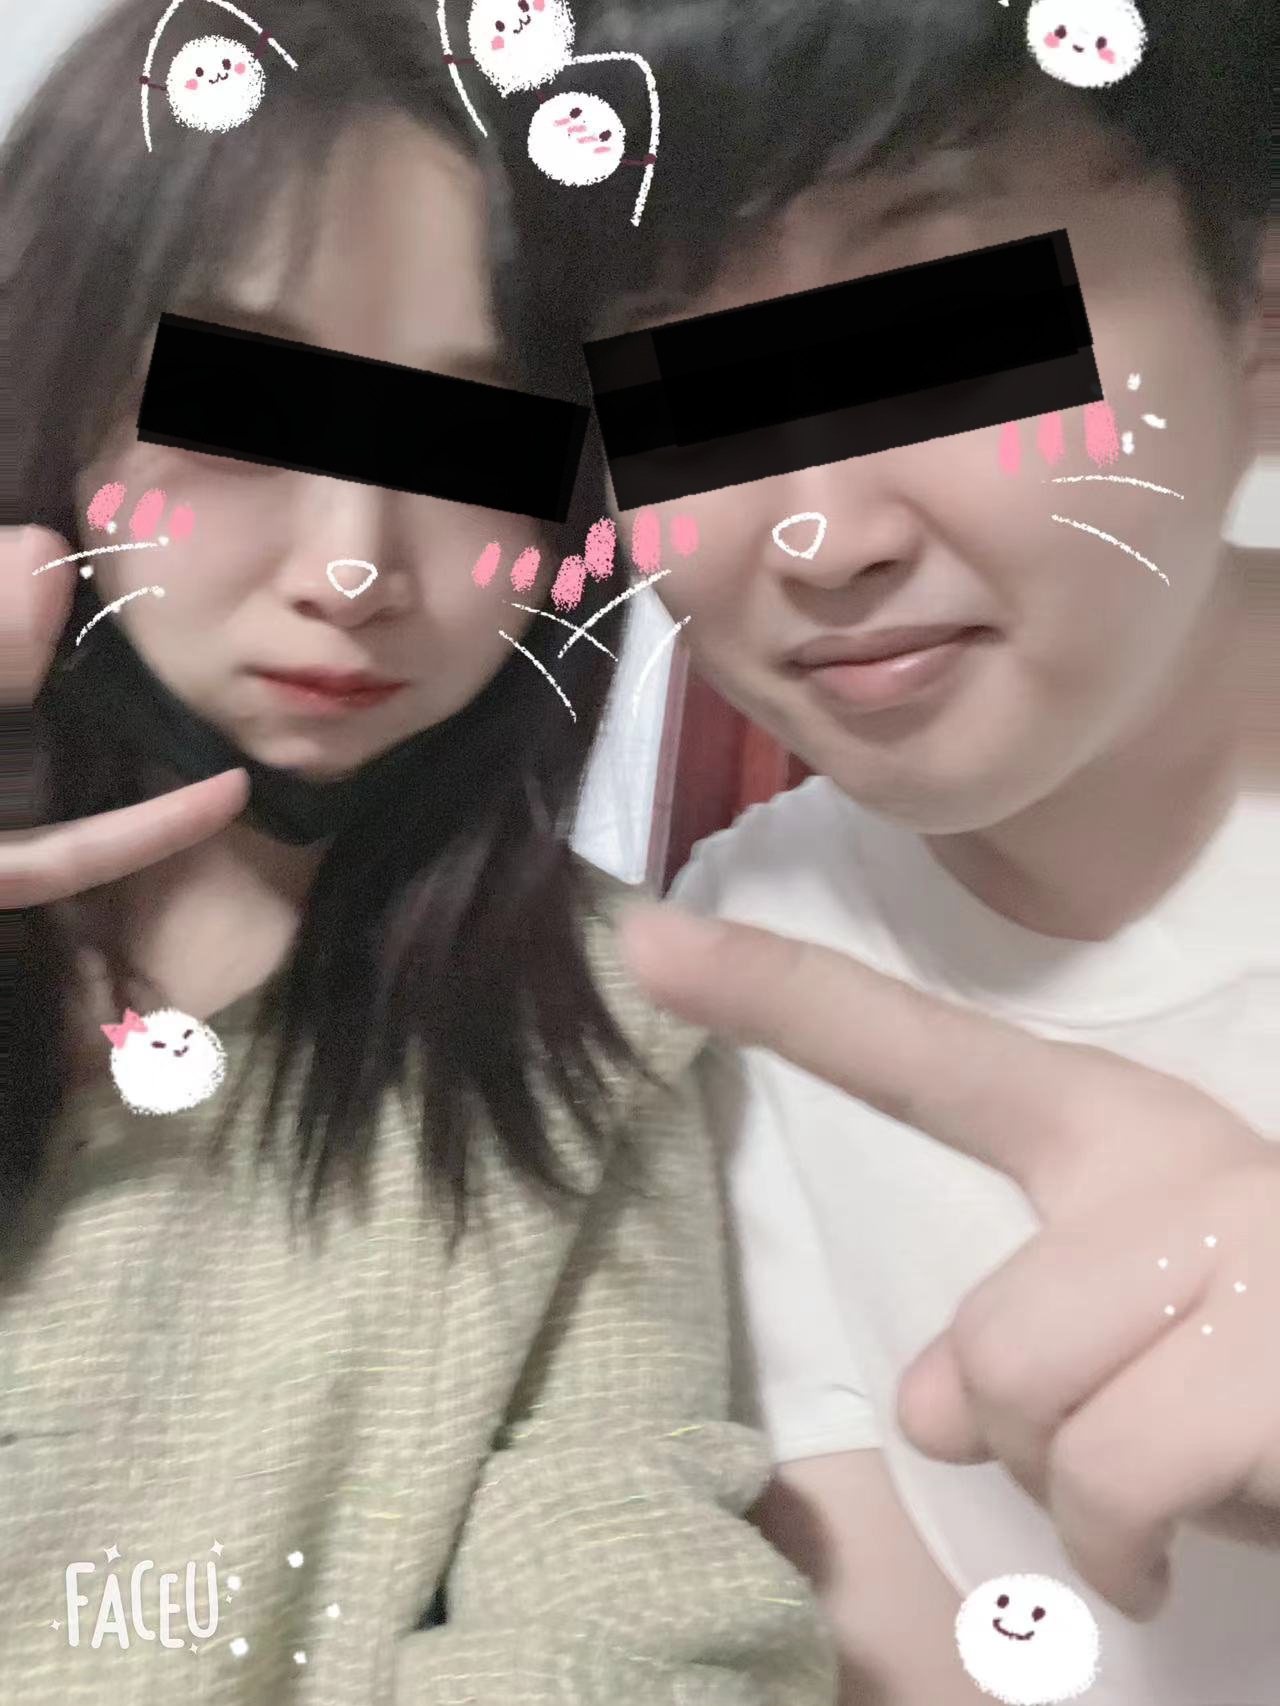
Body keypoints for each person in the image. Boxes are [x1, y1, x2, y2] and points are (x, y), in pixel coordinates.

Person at [0, 1, 839, 1700]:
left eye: (470, 441)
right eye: (244, 411)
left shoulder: (601, 1019)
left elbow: (635, 1613)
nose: (354, 566)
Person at [533, 0, 1277, 1700]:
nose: (819, 535)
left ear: (1259, 317)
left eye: (946, 342)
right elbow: (881, 1619)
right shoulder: (744, 943)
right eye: (688, 393)